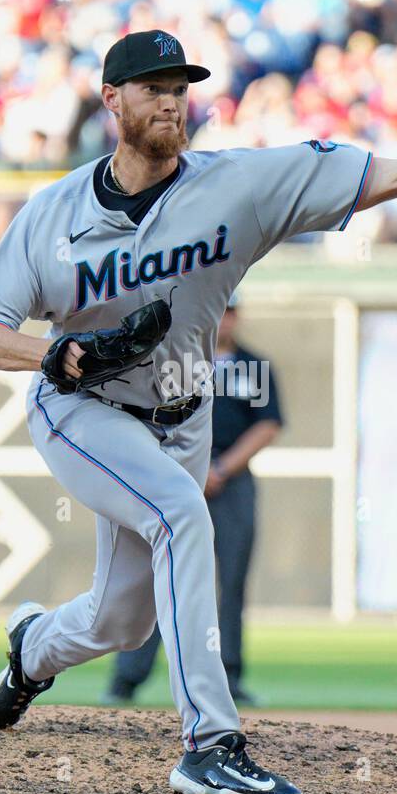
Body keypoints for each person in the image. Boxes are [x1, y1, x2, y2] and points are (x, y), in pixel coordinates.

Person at [0, 29, 397, 794]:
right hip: (82, 409)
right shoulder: (53, 212)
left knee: (120, 622)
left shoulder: (243, 185)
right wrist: (54, 357)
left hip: (182, 421)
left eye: (179, 86)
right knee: (183, 515)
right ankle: (210, 743)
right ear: (111, 99)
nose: (169, 99)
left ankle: (28, 654)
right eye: (152, 85)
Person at [102, 293, 283, 707]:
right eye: (219, 310)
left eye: (232, 311)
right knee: (155, 575)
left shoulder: (252, 366)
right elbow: (148, 417)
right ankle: (128, 677)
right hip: (176, 474)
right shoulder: (177, 363)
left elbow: (267, 425)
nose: (225, 319)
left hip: (229, 481)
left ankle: (229, 677)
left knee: (230, 581)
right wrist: (185, 469)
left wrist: (220, 469)